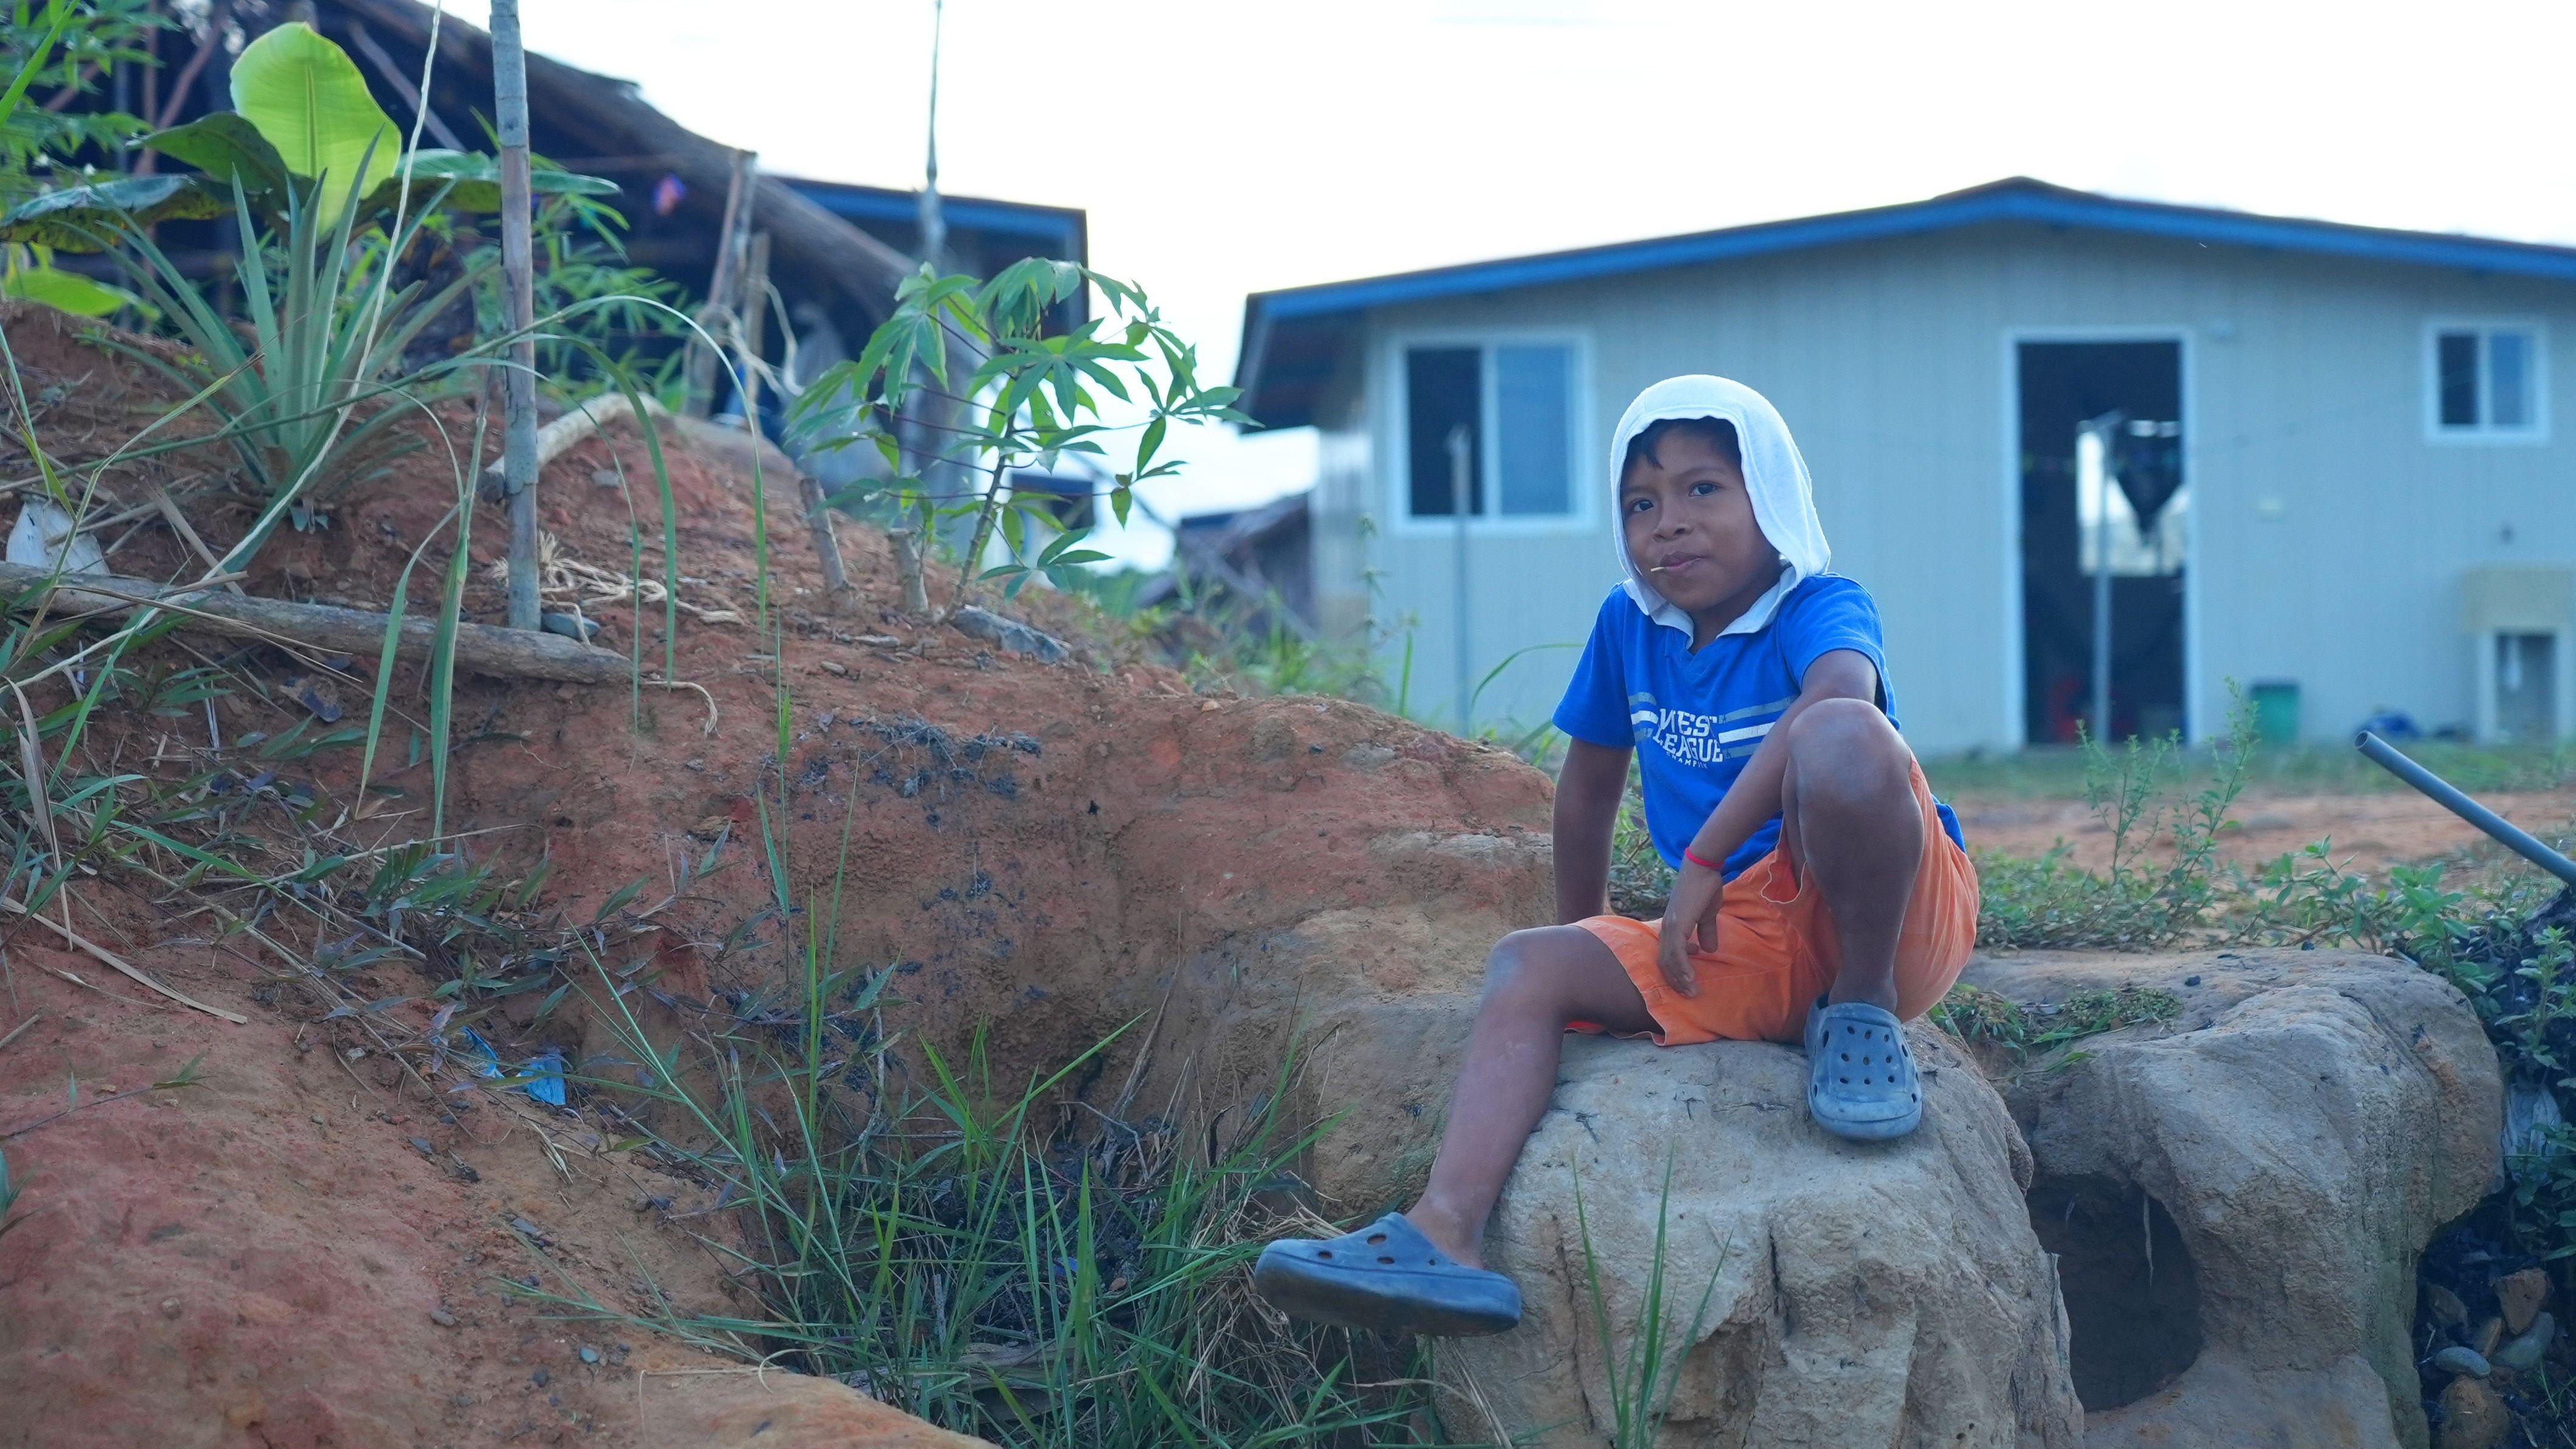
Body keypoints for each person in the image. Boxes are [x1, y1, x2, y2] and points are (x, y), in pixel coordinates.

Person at [1253, 375, 1978, 1338]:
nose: (1668, 523)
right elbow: (1588, 786)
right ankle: (1443, 1237)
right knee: (1524, 962)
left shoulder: (1820, 606)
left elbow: (1838, 697)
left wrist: (1708, 851)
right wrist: (1585, 931)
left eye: (1703, 490)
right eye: (1642, 503)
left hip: (1882, 911)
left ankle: (1860, 1011)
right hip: (1744, 945)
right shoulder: (1628, 626)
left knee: (1843, 733)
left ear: (1773, 495)